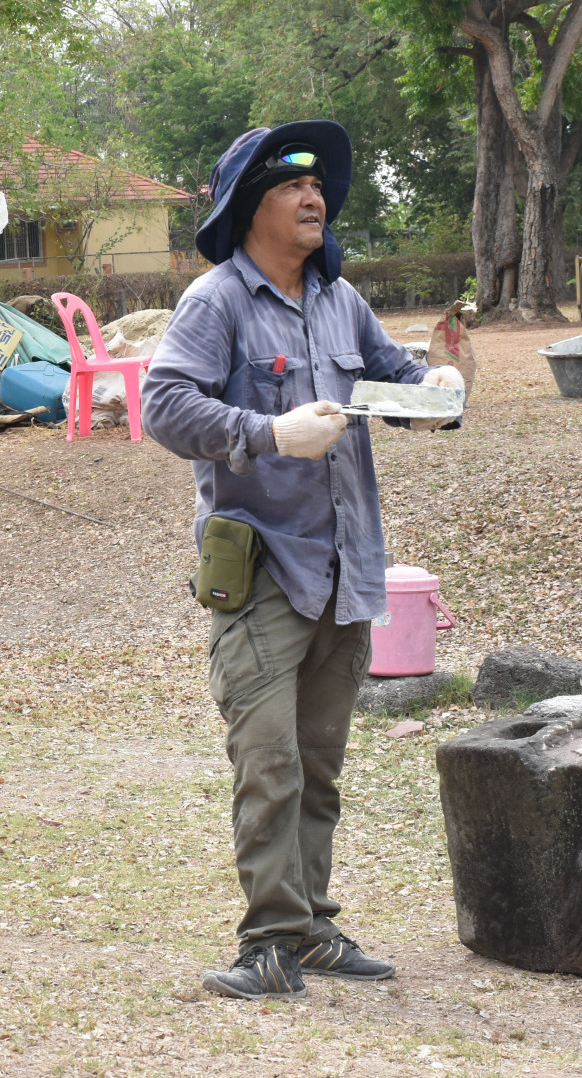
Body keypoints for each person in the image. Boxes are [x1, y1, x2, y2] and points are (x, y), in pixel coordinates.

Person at [140, 121, 465, 1001]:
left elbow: (394, 381)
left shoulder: (340, 300)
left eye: (317, 185)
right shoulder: (216, 301)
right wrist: (264, 432)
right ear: (250, 206)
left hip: (346, 570)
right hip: (264, 572)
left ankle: (311, 925)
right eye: (290, 187)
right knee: (268, 761)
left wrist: (432, 389)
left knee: (319, 762)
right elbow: (163, 404)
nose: (313, 197)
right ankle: (269, 943)